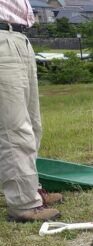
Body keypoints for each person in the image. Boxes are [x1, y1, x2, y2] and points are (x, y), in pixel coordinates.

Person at [0, 2, 62, 222]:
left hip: (17, 36)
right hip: (2, 38)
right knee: (13, 128)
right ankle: (23, 203)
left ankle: (30, 189)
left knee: (32, 124)